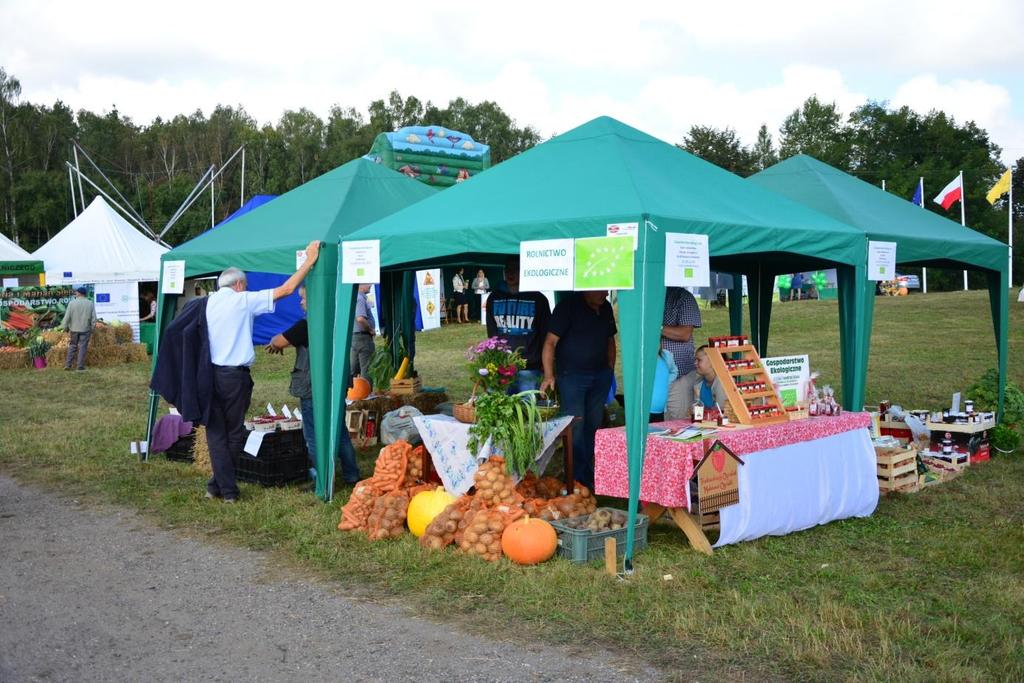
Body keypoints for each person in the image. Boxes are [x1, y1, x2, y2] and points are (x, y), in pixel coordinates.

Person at [203, 240, 320, 503]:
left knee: (215, 431)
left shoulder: (206, 303)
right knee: (232, 432)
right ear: (240, 285)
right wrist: (309, 260)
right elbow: (287, 289)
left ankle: (215, 485)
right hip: (234, 376)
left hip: (210, 374)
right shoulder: (242, 300)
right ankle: (228, 491)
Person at [266, 286, 360, 485]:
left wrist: (276, 344)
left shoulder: (305, 326)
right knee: (339, 431)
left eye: (303, 299)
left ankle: (323, 479)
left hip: (312, 387)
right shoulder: (335, 322)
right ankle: (352, 475)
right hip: (335, 384)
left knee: (313, 435)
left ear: (315, 300)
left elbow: (279, 341)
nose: (301, 303)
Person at [540, 290, 617, 489]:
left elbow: (610, 340)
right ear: (587, 289)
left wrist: (610, 369)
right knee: (575, 428)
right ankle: (575, 478)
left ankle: (585, 474)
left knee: (592, 426)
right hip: (572, 377)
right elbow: (550, 342)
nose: (606, 293)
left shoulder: (605, 307)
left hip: (600, 376)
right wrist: (549, 375)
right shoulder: (567, 307)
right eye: (601, 289)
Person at [486, 255, 551, 392]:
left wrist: (546, 367)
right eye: (508, 269)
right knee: (500, 410)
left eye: (516, 269)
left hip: (530, 369)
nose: (510, 273)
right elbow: (492, 334)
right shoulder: (494, 297)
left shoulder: (538, 299)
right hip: (502, 368)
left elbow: (546, 336)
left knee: (527, 411)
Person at [661, 286, 702, 420]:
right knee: (659, 425)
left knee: (679, 423)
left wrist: (656, 326)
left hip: (679, 377)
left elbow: (685, 333)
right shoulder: (647, 296)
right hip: (655, 379)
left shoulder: (683, 298)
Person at [62, 286, 97, 371]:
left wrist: (65, 327)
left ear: (80, 293)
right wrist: (92, 327)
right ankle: (80, 365)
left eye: (76, 292)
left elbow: (67, 317)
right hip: (85, 329)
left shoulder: (72, 303)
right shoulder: (90, 303)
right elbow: (94, 318)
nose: (75, 293)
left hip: (74, 329)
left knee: (72, 346)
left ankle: (68, 365)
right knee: (83, 347)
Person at [689, 344, 728, 411]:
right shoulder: (698, 382)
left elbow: (722, 412)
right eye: (695, 360)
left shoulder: (723, 384)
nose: (695, 363)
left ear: (713, 362)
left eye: (699, 360)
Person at [350, 284, 375, 382]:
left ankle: (354, 393)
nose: (371, 285)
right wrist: (370, 330)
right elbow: (360, 319)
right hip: (363, 338)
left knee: (354, 369)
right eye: (368, 283)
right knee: (367, 369)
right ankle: (366, 394)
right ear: (360, 284)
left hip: (354, 337)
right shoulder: (360, 299)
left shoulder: (354, 297)